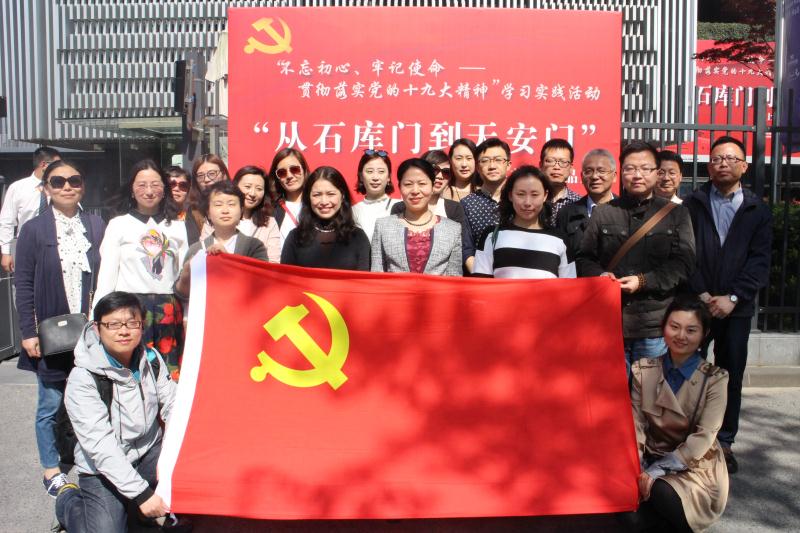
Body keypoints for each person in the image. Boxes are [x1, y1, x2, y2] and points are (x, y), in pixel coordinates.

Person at [13, 159, 105, 498]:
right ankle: (51, 469)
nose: (67, 186)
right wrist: (28, 331)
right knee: (50, 405)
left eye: (74, 180)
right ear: (46, 188)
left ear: (83, 185)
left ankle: (87, 459)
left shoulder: (95, 224)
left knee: (90, 400)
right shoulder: (34, 229)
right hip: (50, 331)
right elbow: (23, 283)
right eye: (58, 181)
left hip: (89, 331)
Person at [683, 135, 772, 473]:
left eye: (731, 158)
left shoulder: (757, 209)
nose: (723, 163)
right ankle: (685, 438)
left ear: (744, 166)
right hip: (697, 305)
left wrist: (734, 297)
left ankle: (724, 442)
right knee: (687, 373)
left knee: (729, 376)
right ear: (709, 165)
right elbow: (685, 254)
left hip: (737, 309)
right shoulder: (692, 204)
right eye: (717, 158)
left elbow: (760, 260)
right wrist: (703, 294)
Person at [54, 291, 179, 532]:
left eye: (132, 323)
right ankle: (68, 501)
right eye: (113, 324)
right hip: (102, 466)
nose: (124, 331)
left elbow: (172, 404)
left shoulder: (151, 358)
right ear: (97, 328)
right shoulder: (83, 377)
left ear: (142, 326)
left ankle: (135, 510)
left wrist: (175, 448)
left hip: (149, 452)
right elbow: (100, 446)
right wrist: (142, 494)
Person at [577, 141, 695, 371]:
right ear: (621, 173)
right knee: (613, 389)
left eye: (645, 168)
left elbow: (684, 264)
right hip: (610, 320)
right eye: (630, 168)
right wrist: (600, 275)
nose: (637, 175)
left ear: (657, 172)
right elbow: (584, 258)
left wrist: (643, 281)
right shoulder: (604, 213)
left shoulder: (677, 214)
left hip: (653, 324)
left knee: (649, 390)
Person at [629, 295, 729, 533]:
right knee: (626, 511)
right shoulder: (644, 370)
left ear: (704, 334)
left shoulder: (715, 379)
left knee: (661, 491)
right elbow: (636, 424)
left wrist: (658, 470)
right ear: (663, 327)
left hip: (696, 466)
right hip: (650, 458)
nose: (681, 336)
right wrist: (637, 467)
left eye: (691, 330)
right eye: (674, 327)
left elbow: (705, 436)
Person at [94, 160, 188, 378]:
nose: (149, 191)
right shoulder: (118, 224)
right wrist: (97, 318)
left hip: (168, 311)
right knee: (132, 373)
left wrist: (187, 315)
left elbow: (184, 275)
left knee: (169, 374)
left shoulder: (177, 226)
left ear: (164, 189)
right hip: (129, 310)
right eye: (142, 185)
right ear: (132, 189)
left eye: (155, 184)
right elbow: (106, 277)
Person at [473, 166, 574, 279]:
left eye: (534, 195)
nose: (527, 203)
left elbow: (568, 286)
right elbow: (481, 284)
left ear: (545, 196)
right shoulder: (491, 236)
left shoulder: (560, 240)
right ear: (510, 195)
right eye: (521, 194)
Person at [176, 180, 269, 299]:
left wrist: (227, 260)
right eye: (218, 204)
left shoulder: (254, 246)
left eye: (231, 204)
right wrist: (186, 273)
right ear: (208, 212)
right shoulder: (196, 249)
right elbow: (182, 294)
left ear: (241, 210)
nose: (225, 210)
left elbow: (262, 284)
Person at [371, 158, 462, 276]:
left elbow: (454, 278)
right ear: (400, 187)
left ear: (432, 186)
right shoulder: (383, 226)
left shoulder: (453, 229)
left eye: (422, 184)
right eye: (408, 184)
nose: (415, 191)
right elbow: (376, 276)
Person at [281, 166, 371, 271]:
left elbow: (364, 279)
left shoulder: (358, 237)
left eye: (330, 194)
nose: (324, 201)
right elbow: (285, 277)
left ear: (342, 196)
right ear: (308, 197)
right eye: (317, 195)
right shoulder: (295, 238)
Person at [200, 166, 281, 262]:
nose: (252, 193)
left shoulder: (269, 223)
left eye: (259, 189)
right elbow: (203, 254)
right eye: (247, 187)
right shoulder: (215, 219)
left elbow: (273, 263)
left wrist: (229, 258)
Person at [0, 146, 61, 272]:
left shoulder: (62, 186)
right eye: (57, 164)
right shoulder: (18, 188)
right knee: (26, 280)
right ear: (44, 165)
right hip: (27, 245)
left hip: (57, 244)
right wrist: (6, 252)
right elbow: (7, 221)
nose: (60, 168)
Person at [555, 148, 618, 261]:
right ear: (581, 177)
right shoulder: (566, 213)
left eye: (601, 171)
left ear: (614, 176)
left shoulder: (625, 210)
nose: (594, 176)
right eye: (588, 171)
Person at [461, 138, 512, 272]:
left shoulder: (520, 200)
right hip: (481, 278)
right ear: (478, 167)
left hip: (519, 277)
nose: (492, 166)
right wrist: (483, 277)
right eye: (485, 161)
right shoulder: (467, 204)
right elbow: (467, 249)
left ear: (508, 164)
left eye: (498, 160)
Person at [351, 150, 400, 241]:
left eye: (381, 171)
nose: (375, 177)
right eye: (370, 171)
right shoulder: (353, 212)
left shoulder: (401, 206)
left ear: (389, 177)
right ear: (361, 176)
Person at [185, 154, 229, 245]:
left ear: (224, 175)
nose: (206, 179)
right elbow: (195, 245)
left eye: (212, 174)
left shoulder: (238, 202)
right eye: (200, 176)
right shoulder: (194, 210)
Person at [270, 148, 310, 247]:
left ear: (304, 170)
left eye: (295, 169)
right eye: (282, 172)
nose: (289, 176)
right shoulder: (271, 209)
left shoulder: (317, 205)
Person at [540, 138, 581, 226]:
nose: (557, 167)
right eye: (550, 161)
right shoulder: (532, 201)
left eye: (563, 162)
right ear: (541, 165)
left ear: (571, 168)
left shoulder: (580, 203)